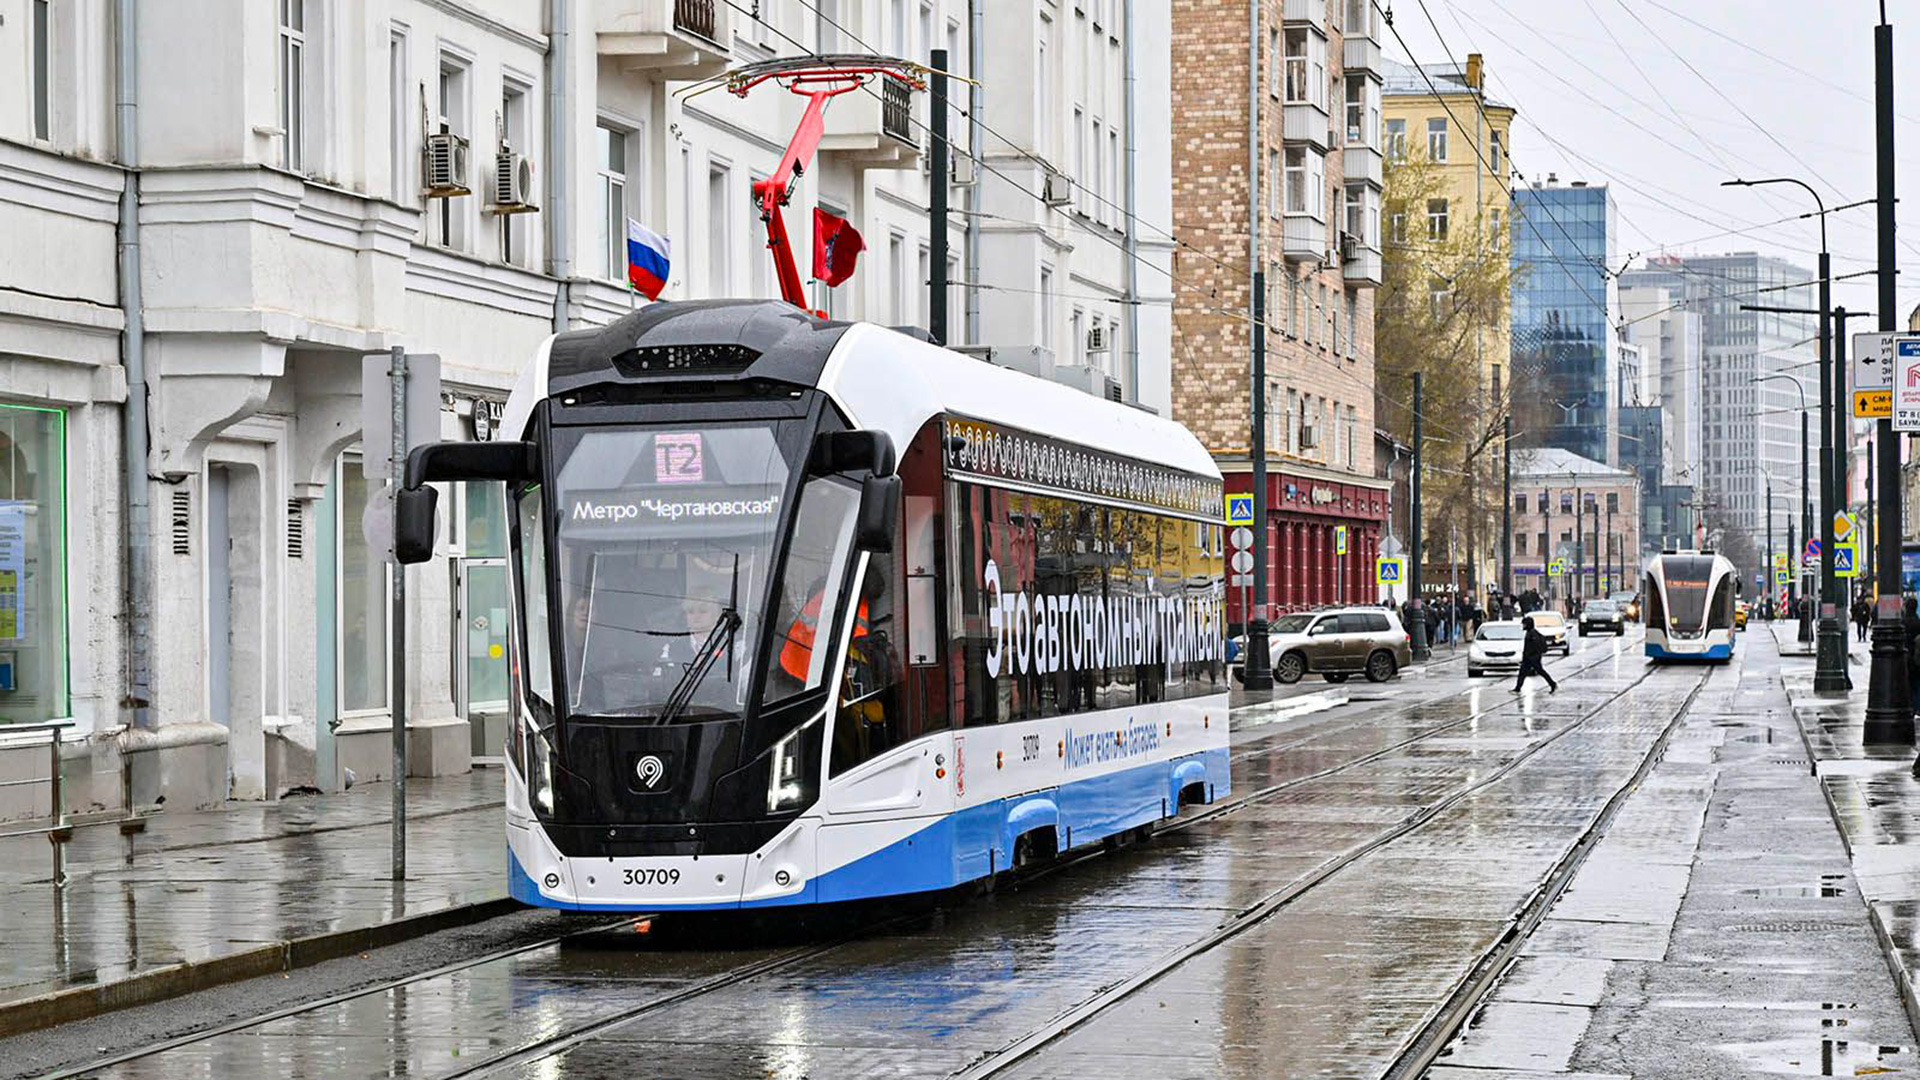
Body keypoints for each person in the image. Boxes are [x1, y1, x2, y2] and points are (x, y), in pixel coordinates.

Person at [1513, 613, 1559, 694]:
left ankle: (1552, 684)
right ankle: (1517, 688)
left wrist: (1533, 656)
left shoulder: (1532, 633)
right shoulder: (1530, 632)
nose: (1523, 626)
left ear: (1528, 624)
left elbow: (1534, 646)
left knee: (1540, 671)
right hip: (1529, 657)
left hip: (1532, 658)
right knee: (1522, 673)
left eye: (1524, 624)